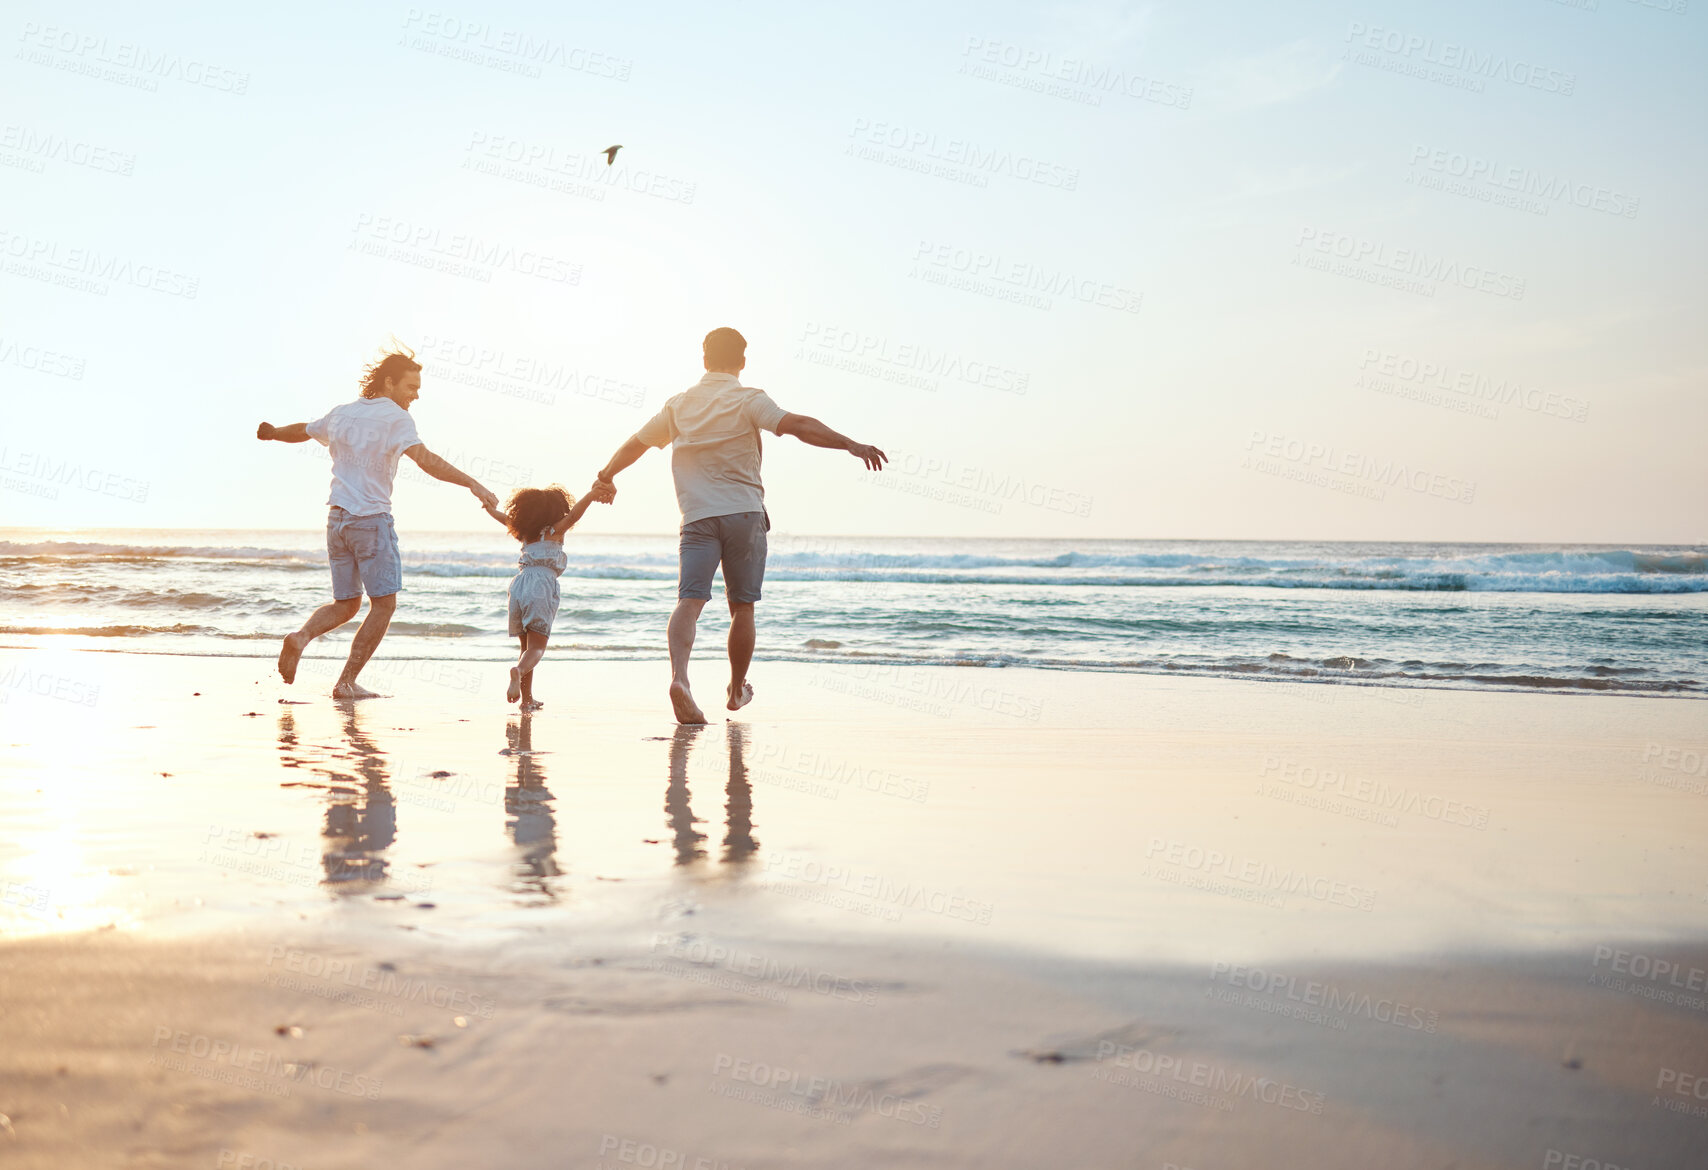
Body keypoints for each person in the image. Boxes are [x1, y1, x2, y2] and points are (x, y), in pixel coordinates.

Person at [593, 327, 888, 723]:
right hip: (744, 515)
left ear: (703, 359)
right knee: (742, 607)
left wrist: (607, 474)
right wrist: (849, 444)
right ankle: (735, 690)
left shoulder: (678, 406)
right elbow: (797, 424)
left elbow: (637, 443)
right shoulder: (749, 399)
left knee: (689, 600)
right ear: (743, 362)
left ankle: (680, 678)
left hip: (697, 516)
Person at [257, 346, 500, 699]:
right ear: (389, 382)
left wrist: (274, 432)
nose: (415, 395)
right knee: (383, 605)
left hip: (337, 519)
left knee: (347, 605)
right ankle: (345, 683)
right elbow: (426, 460)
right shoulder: (396, 418)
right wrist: (472, 483)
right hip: (371, 521)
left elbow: (305, 430)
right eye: (410, 387)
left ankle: (301, 637)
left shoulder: (342, 413)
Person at [484, 481, 613, 710]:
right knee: (537, 648)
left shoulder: (523, 532)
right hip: (541, 585)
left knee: (525, 648)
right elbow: (575, 515)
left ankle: (527, 699)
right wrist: (592, 494)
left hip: (519, 585)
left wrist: (489, 508)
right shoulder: (553, 531)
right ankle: (518, 671)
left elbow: (503, 518)